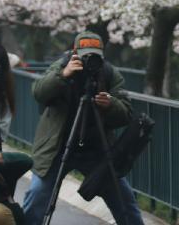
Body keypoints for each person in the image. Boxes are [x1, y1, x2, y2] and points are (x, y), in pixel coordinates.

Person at [22, 32, 144, 225]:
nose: (90, 60)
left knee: (123, 198)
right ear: (75, 52)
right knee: (38, 194)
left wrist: (110, 104)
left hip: (96, 147)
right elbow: (39, 92)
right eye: (85, 55)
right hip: (57, 145)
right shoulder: (62, 65)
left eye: (94, 56)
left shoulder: (109, 73)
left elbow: (126, 113)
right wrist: (63, 75)